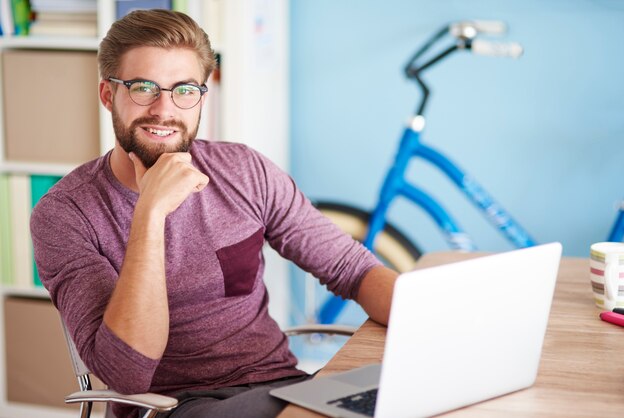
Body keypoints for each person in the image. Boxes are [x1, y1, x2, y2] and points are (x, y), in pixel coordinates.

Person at [30, 9, 398, 418]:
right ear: (107, 94)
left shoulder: (244, 170)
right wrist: (150, 214)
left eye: (184, 89)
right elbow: (127, 374)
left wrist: (434, 323)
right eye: (143, 87)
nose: (164, 109)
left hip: (284, 387)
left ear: (202, 97)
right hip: (177, 406)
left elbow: (352, 268)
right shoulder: (65, 214)